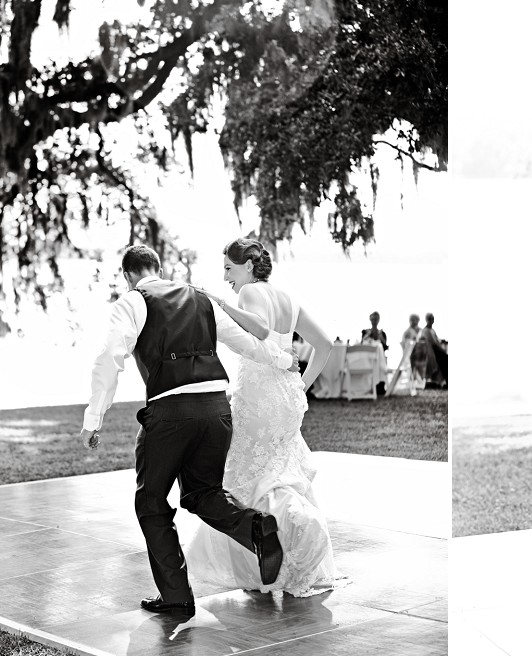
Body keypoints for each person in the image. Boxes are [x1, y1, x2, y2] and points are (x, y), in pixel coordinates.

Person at [80, 245, 297, 616]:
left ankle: (177, 596)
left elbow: (110, 358)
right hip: (217, 410)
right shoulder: (200, 298)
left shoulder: (132, 302)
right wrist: (282, 359)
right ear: (160, 269)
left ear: (128, 275)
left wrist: (92, 420)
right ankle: (256, 527)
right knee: (202, 493)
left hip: (171, 412)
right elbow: (243, 343)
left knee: (150, 502)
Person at [183, 238, 347, 597]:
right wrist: (301, 386)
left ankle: (287, 539)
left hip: (259, 397)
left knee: (252, 474)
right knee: (280, 469)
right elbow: (326, 345)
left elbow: (257, 329)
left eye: (229, 268)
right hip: (287, 397)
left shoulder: (249, 292)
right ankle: (289, 558)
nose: (226, 276)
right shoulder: (287, 296)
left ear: (248, 265)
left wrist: (220, 302)